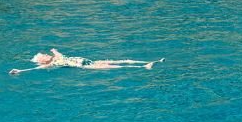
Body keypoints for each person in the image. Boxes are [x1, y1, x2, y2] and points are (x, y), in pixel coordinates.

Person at [10, 49, 164, 75]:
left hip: (90, 61)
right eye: (42, 55)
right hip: (86, 66)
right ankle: (144, 67)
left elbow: (59, 53)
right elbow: (35, 70)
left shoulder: (56, 58)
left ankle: (149, 61)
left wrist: (54, 50)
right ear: (42, 61)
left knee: (123, 59)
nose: (44, 54)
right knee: (113, 66)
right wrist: (20, 71)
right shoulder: (51, 64)